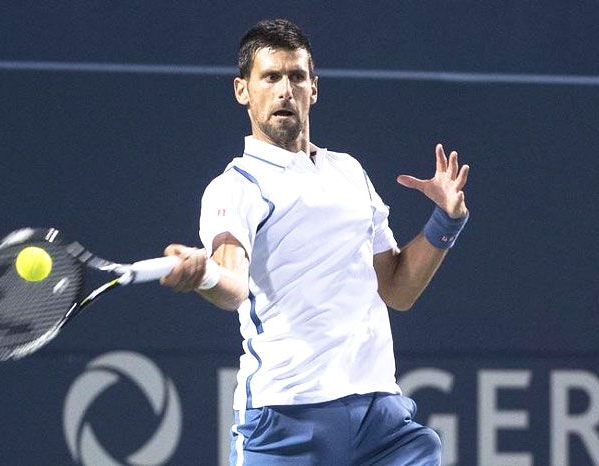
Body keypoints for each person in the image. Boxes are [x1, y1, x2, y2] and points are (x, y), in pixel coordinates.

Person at [161, 18, 469, 466]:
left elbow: (398, 289)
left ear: (314, 89)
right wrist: (205, 272)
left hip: (380, 416)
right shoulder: (236, 186)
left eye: (296, 76)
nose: (285, 89)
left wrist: (446, 220)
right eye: (270, 77)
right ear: (242, 90)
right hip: (287, 418)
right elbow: (232, 282)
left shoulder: (348, 171)